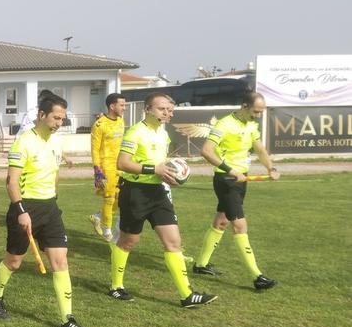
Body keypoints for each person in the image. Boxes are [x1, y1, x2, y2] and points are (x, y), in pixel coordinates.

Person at [0, 93, 90, 327]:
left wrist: (53, 199)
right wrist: (21, 211)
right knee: (14, 261)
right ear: (41, 115)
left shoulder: (56, 142)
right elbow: (11, 182)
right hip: (25, 208)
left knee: (60, 261)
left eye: (63, 119)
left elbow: (54, 173)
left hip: (50, 209)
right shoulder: (23, 142)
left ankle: (68, 318)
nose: (59, 123)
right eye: (56, 117)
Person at [109, 93, 217, 307]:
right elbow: (122, 163)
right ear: (148, 110)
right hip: (135, 192)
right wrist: (154, 169)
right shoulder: (135, 132)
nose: (168, 113)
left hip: (158, 192)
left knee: (173, 242)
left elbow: (160, 163)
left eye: (169, 109)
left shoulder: (163, 132)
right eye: (162, 109)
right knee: (128, 241)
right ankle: (116, 286)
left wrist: (171, 173)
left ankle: (187, 295)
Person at [194, 92, 279, 289]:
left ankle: (201, 264)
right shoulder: (224, 125)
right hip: (226, 180)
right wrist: (231, 171)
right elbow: (206, 151)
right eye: (255, 111)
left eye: (261, 112)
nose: (258, 115)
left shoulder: (251, 125)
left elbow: (260, 149)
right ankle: (257, 276)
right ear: (244, 106)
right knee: (239, 225)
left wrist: (271, 168)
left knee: (221, 221)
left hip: (241, 179)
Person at [88, 93, 126, 242]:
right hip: (106, 167)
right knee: (109, 200)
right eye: (122, 105)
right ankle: (107, 231)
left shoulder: (121, 121)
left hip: (120, 166)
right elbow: (95, 149)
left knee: (119, 199)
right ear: (112, 106)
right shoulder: (99, 125)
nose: (125, 108)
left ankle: (98, 216)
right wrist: (97, 170)